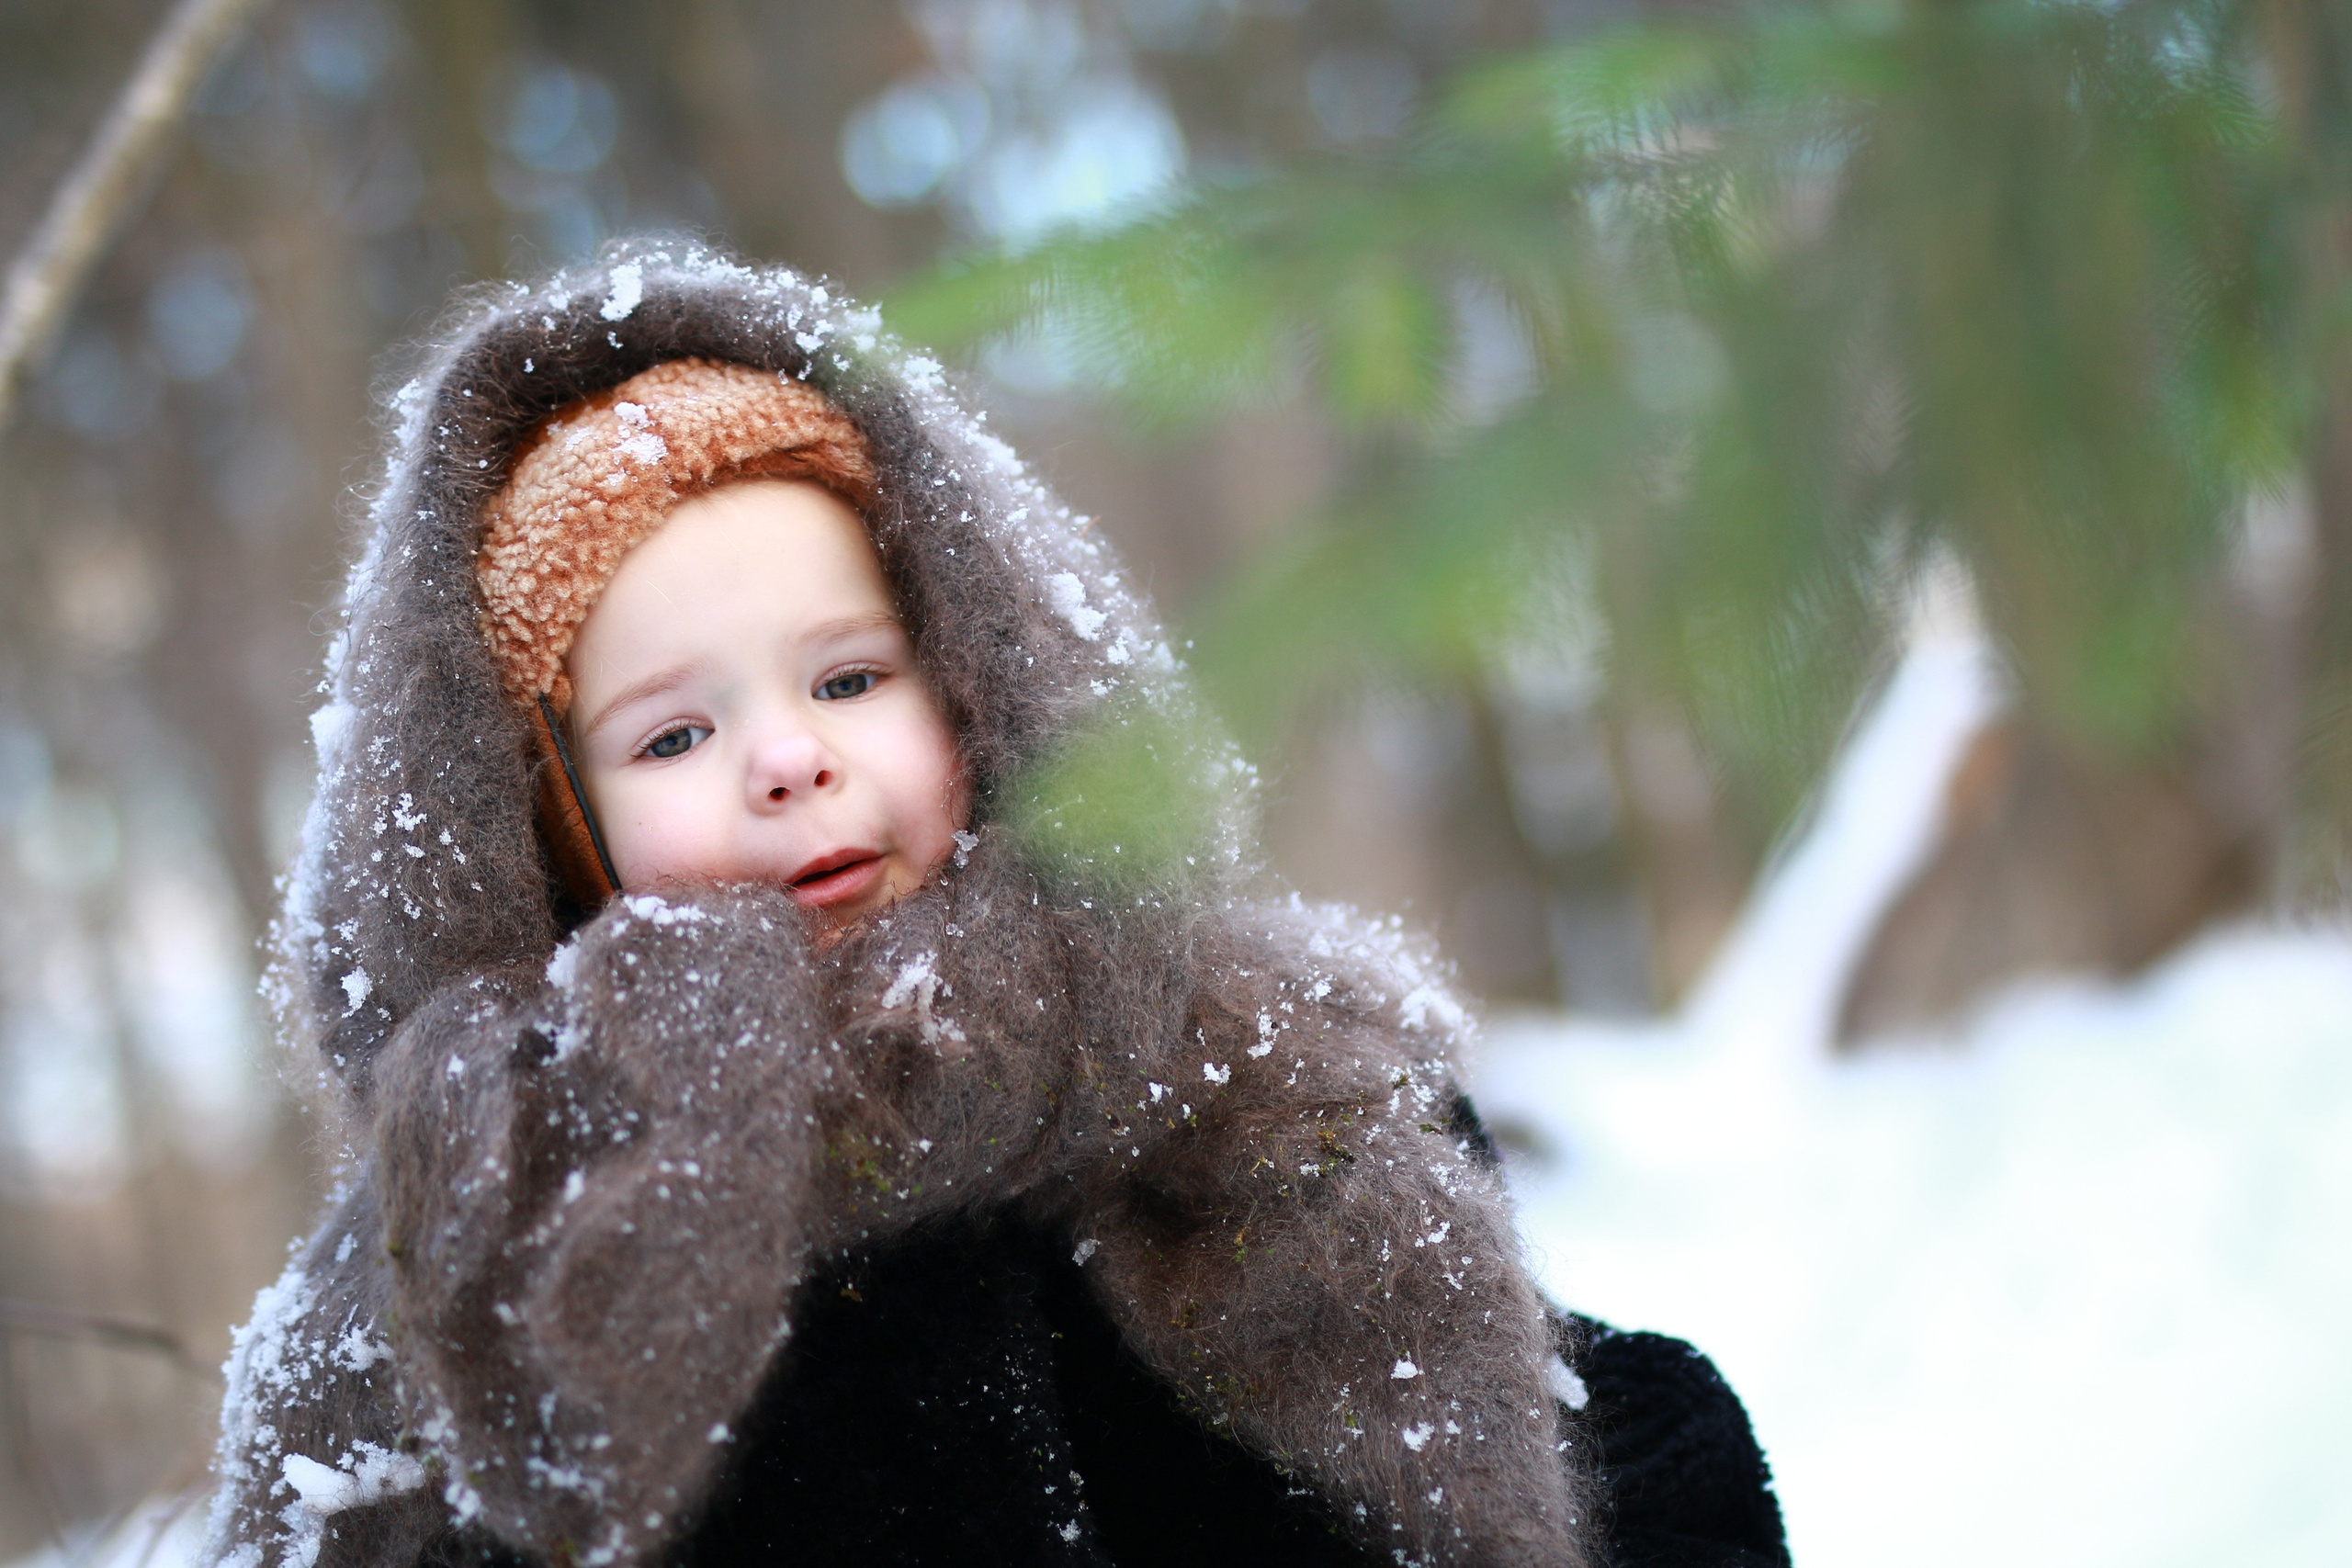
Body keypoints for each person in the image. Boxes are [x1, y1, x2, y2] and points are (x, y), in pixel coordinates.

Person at [201, 244, 1789, 1568]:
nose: (787, 760)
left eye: (846, 676)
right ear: (557, 833)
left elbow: (1521, 1440)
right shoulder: (486, 1262)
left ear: (974, 682)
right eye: (674, 735)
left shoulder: (1235, 1084)